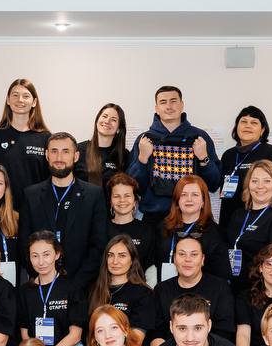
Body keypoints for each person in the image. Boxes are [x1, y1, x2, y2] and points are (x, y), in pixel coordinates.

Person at [20, 132, 108, 290]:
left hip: (81, 287)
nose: (59, 157)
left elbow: (99, 246)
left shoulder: (94, 195)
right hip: (41, 285)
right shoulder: (30, 195)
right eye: (54, 151)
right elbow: (24, 245)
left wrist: (77, 284)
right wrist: (42, 278)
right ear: (47, 155)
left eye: (65, 151)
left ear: (76, 156)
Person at [126, 85, 222, 225]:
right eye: (163, 102)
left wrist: (204, 159)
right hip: (154, 219)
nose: (169, 106)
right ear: (156, 108)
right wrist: (142, 159)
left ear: (182, 105)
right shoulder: (145, 139)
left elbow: (214, 184)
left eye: (173, 101)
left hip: (192, 217)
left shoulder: (200, 137)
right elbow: (133, 187)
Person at [18, 231, 87, 346]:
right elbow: (25, 334)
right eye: (35, 256)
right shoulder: (25, 291)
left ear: (57, 254)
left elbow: (75, 335)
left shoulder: (72, 287)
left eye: (46, 254)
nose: (41, 262)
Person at [150, 234, 236, 346]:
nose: (187, 259)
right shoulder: (161, 290)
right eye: (182, 254)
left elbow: (225, 331)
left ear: (202, 259)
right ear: (174, 259)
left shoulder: (220, 287)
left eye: (194, 254)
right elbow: (156, 332)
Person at [223, 160, 272, 282]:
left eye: (267, 181)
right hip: (234, 283)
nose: (260, 186)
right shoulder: (238, 214)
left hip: (260, 286)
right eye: (255, 181)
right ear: (248, 184)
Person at [218, 105, 272, 225]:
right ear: (236, 127)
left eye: (254, 123)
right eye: (243, 122)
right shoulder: (228, 155)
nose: (248, 126)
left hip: (260, 223)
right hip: (230, 221)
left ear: (262, 130)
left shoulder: (271, 153)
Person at [0, 78, 50, 200]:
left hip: (36, 206)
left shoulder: (45, 138)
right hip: (3, 207)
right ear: (8, 100)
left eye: (26, 96)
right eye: (15, 95)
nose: (20, 100)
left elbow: (50, 178)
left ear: (34, 102)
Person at [156, 174, 228, 280]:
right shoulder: (163, 227)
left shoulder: (215, 233)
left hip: (202, 288)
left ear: (203, 202)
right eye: (184, 194)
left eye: (195, 195)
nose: (189, 199)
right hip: (167, 287)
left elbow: (221, 273)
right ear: (177, 200)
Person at [89, 235, 157, 342]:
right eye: (110, 255)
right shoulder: (94, 289)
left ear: (132, 260)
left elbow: (137, 339)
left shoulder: (144, 293)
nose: (115, 261)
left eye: (122, 256)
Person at [106, 172, 157, 274]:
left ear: (135, 201)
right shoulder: (100, 229)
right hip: (105, 283)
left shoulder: (147, 230)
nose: (122, 200)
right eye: (116, 196)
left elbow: (151, 268)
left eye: (127, 196)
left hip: (139, 283)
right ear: (110, 201)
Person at [76, 102, 130, 187]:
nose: (107, 121)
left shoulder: (124, 155)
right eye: (104, 116)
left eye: (113, 120)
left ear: (119, 128)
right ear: (97, 120)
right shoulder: (78, 150)